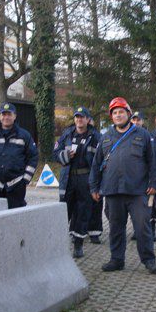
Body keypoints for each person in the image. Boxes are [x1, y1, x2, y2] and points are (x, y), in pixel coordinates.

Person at [89, 97, 156, 274]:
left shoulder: (143, 135)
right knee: (115, 228)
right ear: (111, 116)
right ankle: (117, 259)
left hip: (137, 191)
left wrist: (154, 183)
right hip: (112, 190)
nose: (118, 115)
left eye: (121, 112)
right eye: (114, 112)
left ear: (128, 114)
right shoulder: (105, 137)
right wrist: (94, 187)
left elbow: (154, 161)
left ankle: (148, 260)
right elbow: (96, 164)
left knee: (142, 227)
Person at [53, 107, 101, 258]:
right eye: (77, 117)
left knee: (82, 212)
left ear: (88, 119)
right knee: (63, 211)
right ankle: (58, 245)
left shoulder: (95, 137)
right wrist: (64, 155)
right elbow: (55, 153)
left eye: (82, 117)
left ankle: (78, 245)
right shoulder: (67, 134)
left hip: (85, 178)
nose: (79, 120)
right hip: (67, 178)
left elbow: (101, 159)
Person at [0, 103, 38, 209]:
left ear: (15, 116)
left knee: (15, 219)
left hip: (16, 185)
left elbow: (33, 157)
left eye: (9, 114)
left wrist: (25, 180)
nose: (6, 117)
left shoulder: (24, 135)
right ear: (0, 116)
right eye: (3, 114)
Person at [130, 111, 156, 242]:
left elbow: (155, 159)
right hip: (132, 179)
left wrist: (155, 179)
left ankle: (151, 231)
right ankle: (137, 231)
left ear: (143, 122)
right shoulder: (127, 135)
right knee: (135, 206)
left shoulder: (149, 136)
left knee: (150, 206)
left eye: (139, 120)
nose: (136, 122)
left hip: (146, 179)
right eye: (134, 120)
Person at [86, 116, 104, 244]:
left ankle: (94, 233)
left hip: (96, 174)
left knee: (95, 203)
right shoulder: (71, 133)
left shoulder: (98, 136)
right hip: (78, 176)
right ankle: (80, 231)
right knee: (81, 205)